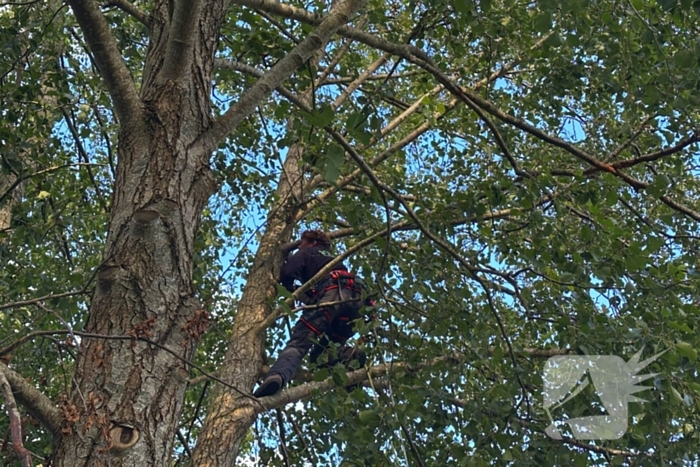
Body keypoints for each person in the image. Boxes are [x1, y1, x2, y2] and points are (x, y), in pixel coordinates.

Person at [253, 230, 373, 398]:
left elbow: (287, 272)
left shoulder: (308, 252)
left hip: (332, 294)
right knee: (320, 357)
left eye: (302, 242)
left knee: (299, 343)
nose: (299, 245)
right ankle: (349, 357)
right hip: (357, 305)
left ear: (313, 242)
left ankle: (276, 377)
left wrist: (289, 291)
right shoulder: (330, 259)